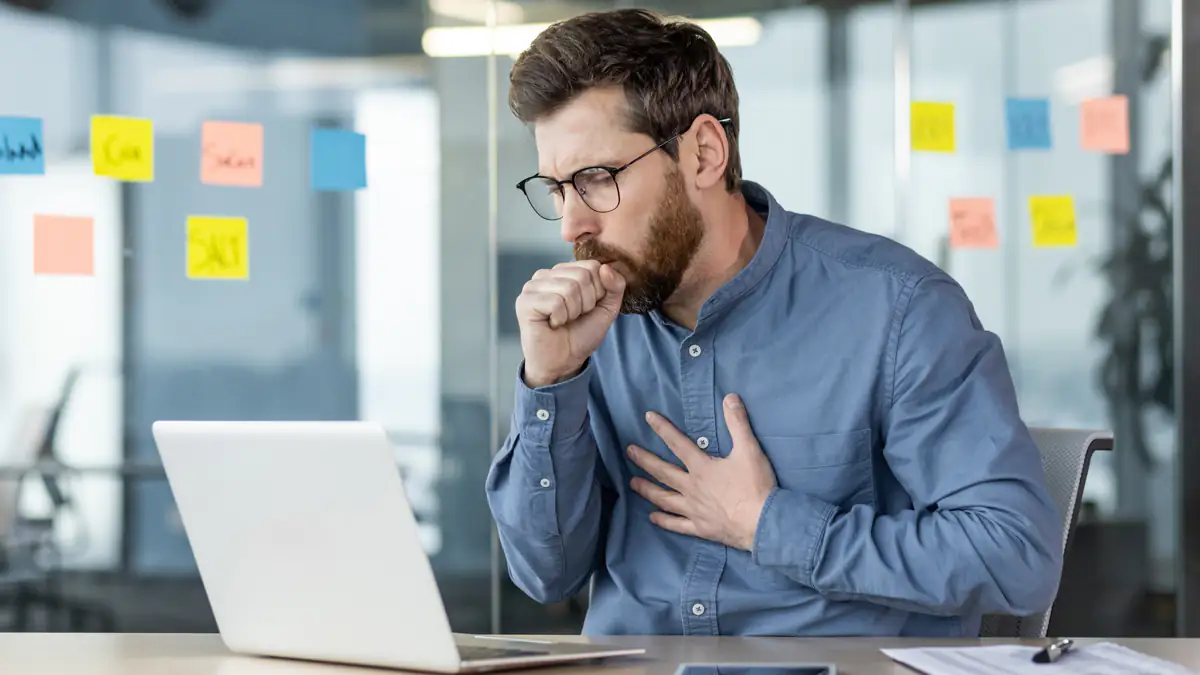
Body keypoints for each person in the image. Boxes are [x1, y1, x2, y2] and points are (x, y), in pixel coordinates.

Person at [485, 8, 1062, 637]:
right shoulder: (593, 328)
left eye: (596, 180)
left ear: (704, 153)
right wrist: (550, 382)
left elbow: (1017, 558)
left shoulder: (896, 309)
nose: (572, 226)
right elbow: (546, 574)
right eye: (557, 190)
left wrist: (767, 523)